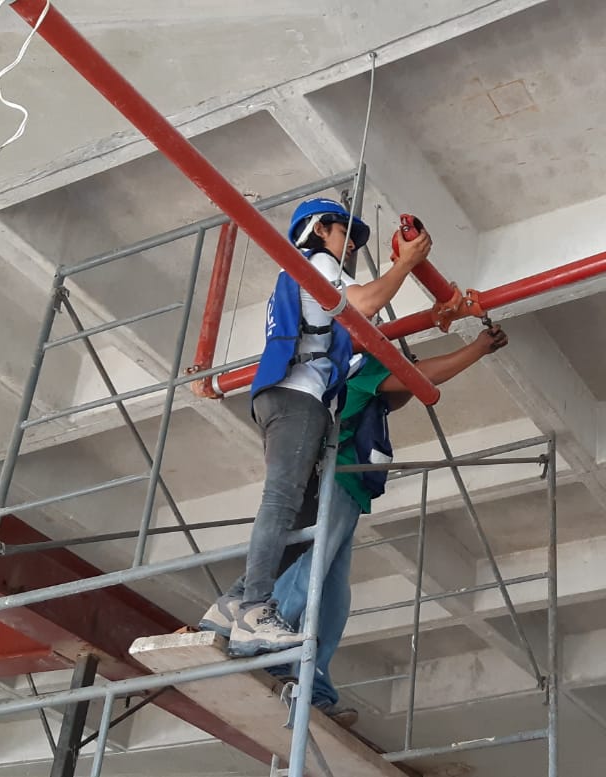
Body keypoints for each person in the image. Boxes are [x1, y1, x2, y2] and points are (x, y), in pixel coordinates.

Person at [199, 198, 433, 657]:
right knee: (283, 502)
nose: (350, 247)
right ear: (321, 229)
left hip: (283, 397)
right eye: (345, 232)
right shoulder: (317, 262)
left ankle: (232, 604)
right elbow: (362, 303)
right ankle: (253, 610)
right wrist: (405, 265)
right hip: (298, 397)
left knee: (300, 513)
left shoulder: (301, 271)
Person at [267, 323, 511, 726]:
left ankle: (314, 686)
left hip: (347, 491)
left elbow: (404, 391)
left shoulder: (371, 399)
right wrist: (477, 349)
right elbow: (421, 379)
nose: (404, 385)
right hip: (328, 483)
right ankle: (268, 656)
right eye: (399, 372)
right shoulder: (359, 377)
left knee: (331, 598)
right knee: (307, 573)